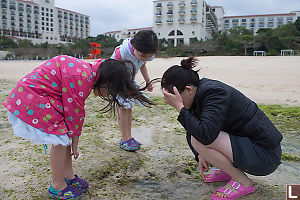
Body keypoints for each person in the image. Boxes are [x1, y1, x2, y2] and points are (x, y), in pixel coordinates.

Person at [3, 55, 151, 199]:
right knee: (60, 140)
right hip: (30, 97)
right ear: (106, 82)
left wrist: (73, 139)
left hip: (40, 95)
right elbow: (74, 112)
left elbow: (72, 115)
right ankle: (57, 186)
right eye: (111, 91)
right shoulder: (82, 78)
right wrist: (75, 142)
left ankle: (68, 176)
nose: (108, 95)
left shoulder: (94, 69)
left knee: (65, 135)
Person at [161, 57, 282, 200]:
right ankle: (229, 171)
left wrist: (180, 108)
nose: (173, 103)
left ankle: (243, 182)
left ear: (188, 89)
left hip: (265, 156)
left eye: (175, 98)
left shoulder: (214, 93)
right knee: (198, 140)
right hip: (250, 148)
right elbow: (193, 127)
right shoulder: (198, 95)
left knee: (199, 140)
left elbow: (205, 136)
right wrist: (200, 155)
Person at [111, 30, 158, 152]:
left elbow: (142, 65)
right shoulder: (121, 53)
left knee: (129, 107)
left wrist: (147, 81)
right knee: (122, 107)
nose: (145, 59)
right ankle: (125, 139)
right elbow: (110, 70)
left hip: (129, 80)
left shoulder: (144, 53)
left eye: (148, 57)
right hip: (117, 80)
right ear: (134, 48)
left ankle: (128, 137)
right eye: (143, 56)